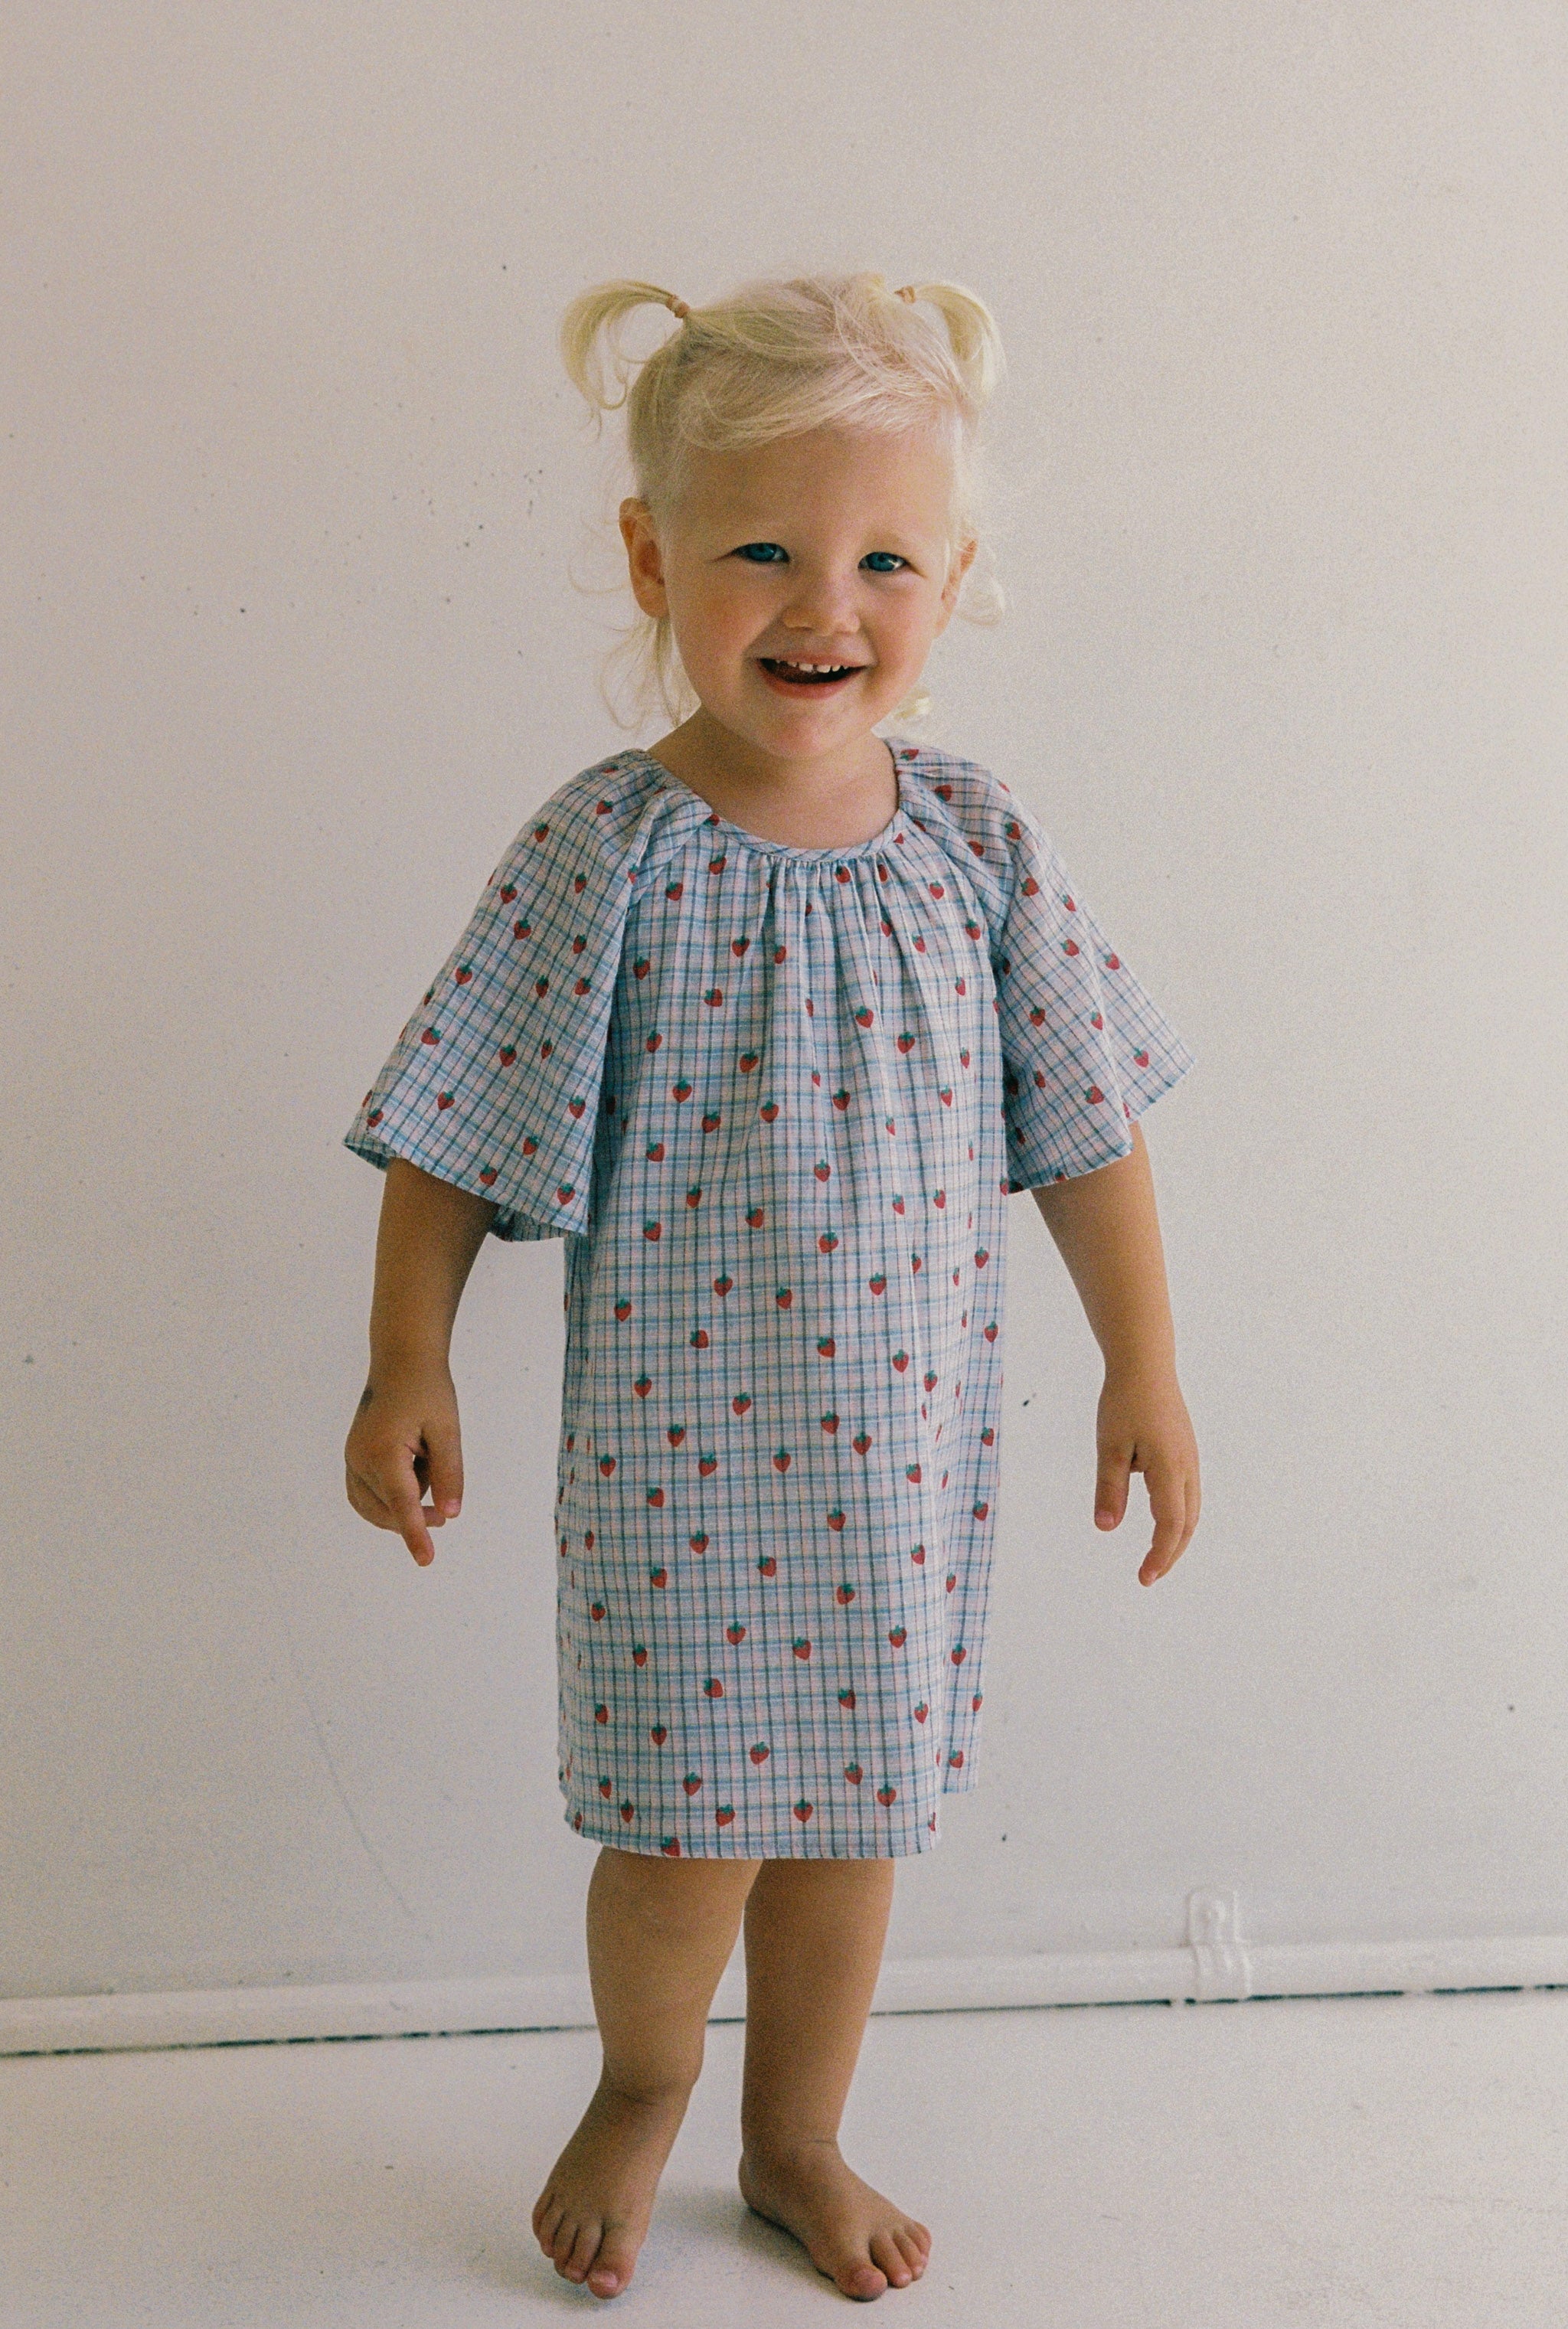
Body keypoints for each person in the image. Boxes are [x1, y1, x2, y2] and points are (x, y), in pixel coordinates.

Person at [342, 269, 1200, 2304]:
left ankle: (796, 2128)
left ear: (955, 574)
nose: (827, 600)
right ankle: (646, 2080)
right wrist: (406, 1358)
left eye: (886, 556)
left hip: (899, 1473)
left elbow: (1087, 1125)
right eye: (763, 548)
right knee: (679, 1836)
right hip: (679, 1476)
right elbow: (458, 1124)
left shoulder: (976, 848)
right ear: (654, 558)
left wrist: (1143, 1364)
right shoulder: (607, 856)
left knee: (851, 1825)